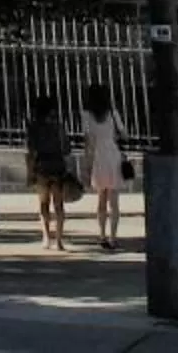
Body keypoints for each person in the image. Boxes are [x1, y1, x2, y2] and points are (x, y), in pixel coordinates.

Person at [77, 85, 126, 252]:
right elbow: (124, 134)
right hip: (113, 155)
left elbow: (88, 142)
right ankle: (113, 238)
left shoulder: (86, 116)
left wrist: (87, 164)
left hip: (98, 158)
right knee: (114, 202)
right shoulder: (113, 113)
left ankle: (102, 235)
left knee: (101, 199)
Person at [23, 95, 72, 250]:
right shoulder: (59, 127)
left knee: (43, 203)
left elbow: (30, 151)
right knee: (59, 204)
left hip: (41, 168)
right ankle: (59, 240)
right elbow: (67, 149)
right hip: (58, 167)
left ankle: (46, 238)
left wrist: (30, 173)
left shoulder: (33, 127)